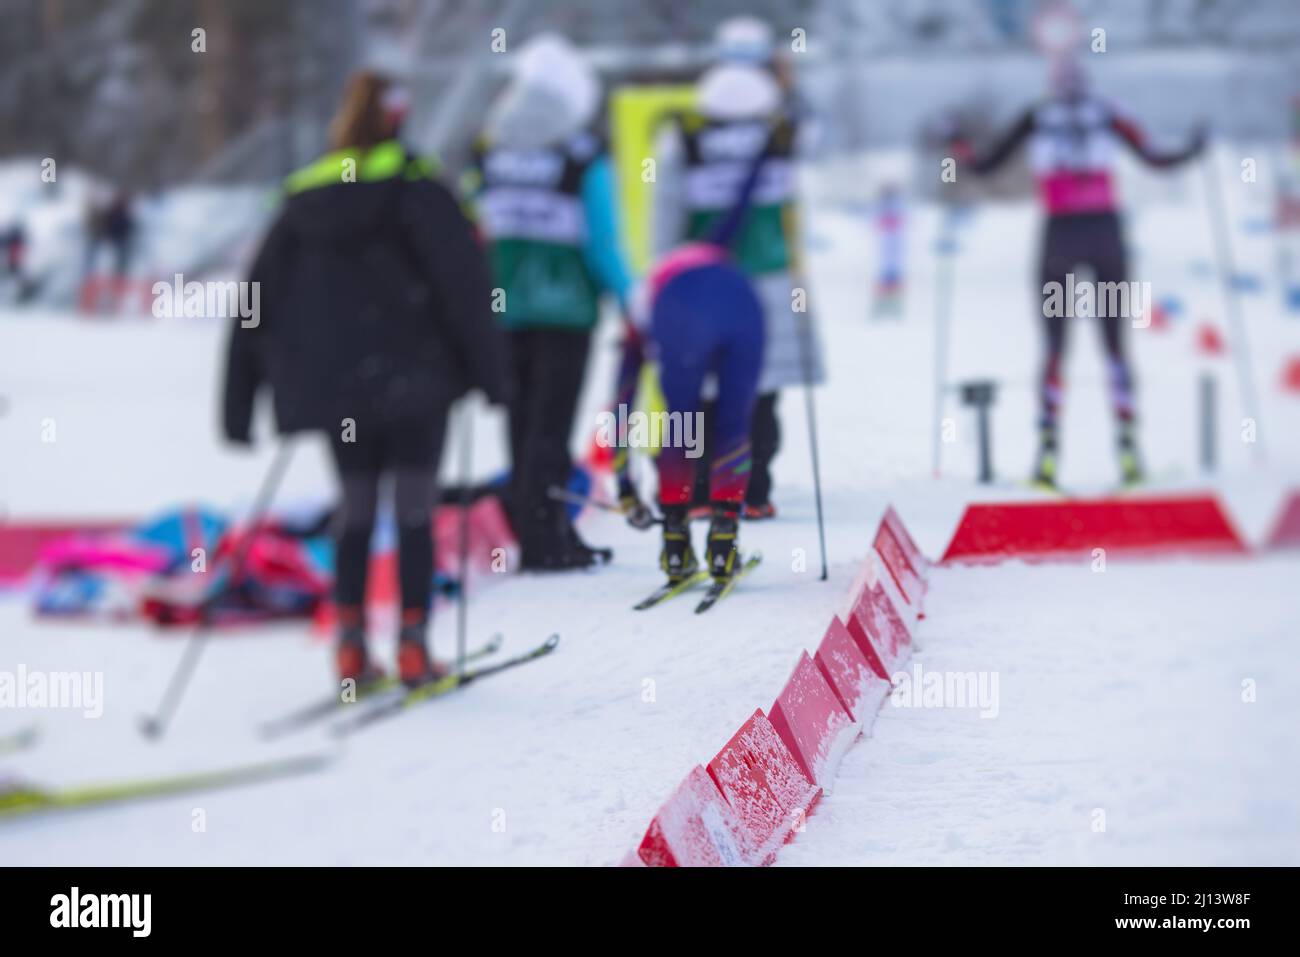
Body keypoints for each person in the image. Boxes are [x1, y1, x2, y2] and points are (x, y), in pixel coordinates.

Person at [222, 71, 508, 687]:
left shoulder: (301, 199)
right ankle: (412, 645)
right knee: (413, 509)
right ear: (399, 120)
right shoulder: (421, 190)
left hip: (335, 388)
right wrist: (494, 375)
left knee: (354, 509)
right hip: (417, 383)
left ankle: (350, 647)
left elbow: (253, 301)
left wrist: (238, 402)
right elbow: (466, 288)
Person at [959, 56, 1204, 487]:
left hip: (1062, 240)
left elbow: (984, 166)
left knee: (1057, 346)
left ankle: (1047, 455)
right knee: (1114, 346)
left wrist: (955, 146)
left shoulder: (1038, 114)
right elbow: (1156, 158)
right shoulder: (1108, 111)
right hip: (1105, 235)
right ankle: (1130, 451)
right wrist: (1195, 147)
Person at [466, 33, 634, 571]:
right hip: (566, 312)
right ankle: (547, 540)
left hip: (501, 310)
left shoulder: (488, 152)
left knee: (519, 422)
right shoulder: (582, 158)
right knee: (551, 426)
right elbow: (602, 243)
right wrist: (634, 304)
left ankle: (536, 528)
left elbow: (473, 227)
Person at [653, 16, 823, 521]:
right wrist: (788, 85)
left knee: (702, 385)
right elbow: (818, 136)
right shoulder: (785, 131)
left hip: (704, 280)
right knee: (762, 386)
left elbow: (665, 214)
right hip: (768, 278)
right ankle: (753, 491)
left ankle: (702, 490)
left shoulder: (684, 136)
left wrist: (663, 276)